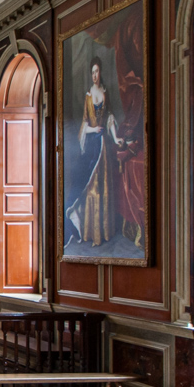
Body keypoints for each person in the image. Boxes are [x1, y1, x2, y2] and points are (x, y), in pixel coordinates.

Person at [65, 56, 124, 248]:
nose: (95, 75)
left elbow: (110, 119)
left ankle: (103, 232)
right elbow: (84, 122)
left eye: (97, 71)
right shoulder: (89, 96)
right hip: (91, 145)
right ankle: (90, 232)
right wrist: (93, 130)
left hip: (104, 147)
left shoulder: (105, 93)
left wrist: (116, 138)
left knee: (102, 187)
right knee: (90, 187)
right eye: (92, 72)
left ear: (101, 73)